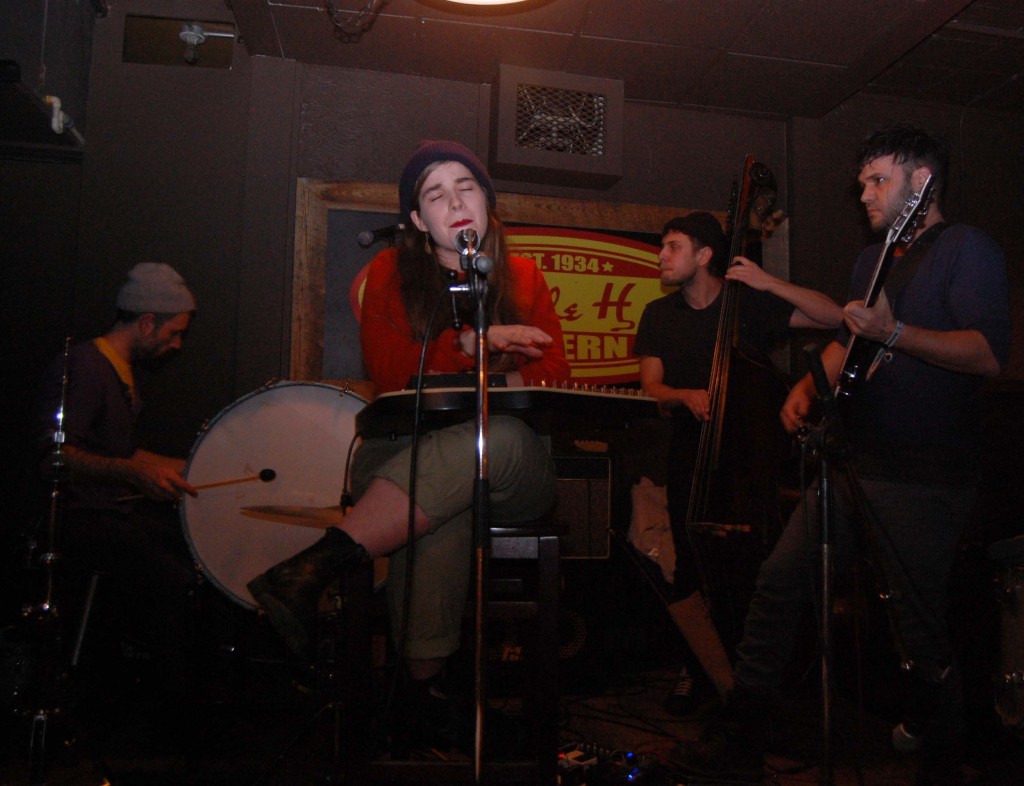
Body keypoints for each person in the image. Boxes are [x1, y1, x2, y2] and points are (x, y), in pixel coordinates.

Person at [676, 126, 1010, 785]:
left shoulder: (966, 249)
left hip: (926, 475)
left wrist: (898, 333)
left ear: (921, 182)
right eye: (862, 182)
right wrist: (809, 383)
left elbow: (987, 355)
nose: (863, 192)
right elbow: (852, 344)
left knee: (917, 625)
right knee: (779, 580)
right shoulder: (874, 261)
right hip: (856, 464)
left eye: (878, 180)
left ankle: (945, 758)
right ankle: (743, 734)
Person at [247, 139, 570, 750]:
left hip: (508, 463)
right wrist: (476, 348)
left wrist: (490, 357)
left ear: (487, 203)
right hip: (405, 454)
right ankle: (424, 694)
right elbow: (393, 372)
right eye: (436, 194)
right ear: (419, 221)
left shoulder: (524, 275)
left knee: (489, 437)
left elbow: (555, 372)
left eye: (466, 187)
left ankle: (315, 568)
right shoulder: (388, 273)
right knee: (440, 499)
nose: (455, 202)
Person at [633, 212, 843, 716]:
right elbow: (651, 387)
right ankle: (699, 666)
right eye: (662, 246)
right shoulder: (660, 315)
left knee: (753, 566)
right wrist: (683, 395)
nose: (661, 256)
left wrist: (768, 281)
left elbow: (836, 317)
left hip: (750, 456)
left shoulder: (745, 306)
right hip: (690, 453)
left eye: (673, 247)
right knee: (688, 561)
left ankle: (755, 676)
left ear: (705, 256)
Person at [34, 262, 201, 700]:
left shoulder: (120, 370)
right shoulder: (85, 367)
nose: (177, 345)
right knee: (173, 577)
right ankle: (164, 707)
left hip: (111, 514)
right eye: (173, 334)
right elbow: (58, 455)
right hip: (79, 520)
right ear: (147, 322)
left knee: (191, 554)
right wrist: (134, 473)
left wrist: (200, 466)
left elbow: (121, 453)